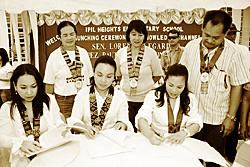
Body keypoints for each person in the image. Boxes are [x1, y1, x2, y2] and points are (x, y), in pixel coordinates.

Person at [179, 10, 250, 167]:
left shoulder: (235, 53)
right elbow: (181, 77)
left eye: (216, 37)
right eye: (207, 35)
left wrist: (231, 118)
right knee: (190, 159)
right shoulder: (191, 47)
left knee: (214, 160)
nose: (210, 40)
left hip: (217, 118)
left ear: (225, 33)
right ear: (202, 29)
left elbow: (237, 86)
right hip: (192, 116)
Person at [0, 64, 64, 167]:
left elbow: (57, 122)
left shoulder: (49, 100)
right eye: (23, 87)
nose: (29, 92)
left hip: (50, 158)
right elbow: (2, 138)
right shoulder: (7, 108)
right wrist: (20, 143)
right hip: (23, 162)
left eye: (33, 86)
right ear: (15, 86)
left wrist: (62, 128)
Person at [135, 64, 202, 145]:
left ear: (185, 85)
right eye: (170, 85)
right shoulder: (154, 95)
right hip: (157, 140)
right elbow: (142, 119)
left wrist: (184, 133)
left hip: (180, 142)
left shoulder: (190, 98)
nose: (174, 91)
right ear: (165, 80)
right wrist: (150, 135)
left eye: (179, 87)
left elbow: (196, 122)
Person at [115, 19, 164, 132]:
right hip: (126, 100)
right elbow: (118, 76)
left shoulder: (151, 53)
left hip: (146, 100)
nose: (137, 38)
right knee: (128, 131)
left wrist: (144, 85)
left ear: (144, 36)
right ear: (128, 35)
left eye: (140, 35)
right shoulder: (120, 53)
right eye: (134, 34)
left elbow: (157, 76)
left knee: (144, 132)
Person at [68, 56, 133, 138]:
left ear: (114, 77)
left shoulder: (120, 96)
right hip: (87, 139)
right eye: (99, 75)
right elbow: (74, 120)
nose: (103, 80)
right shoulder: (82, 93)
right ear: (94, 73)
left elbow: (124, 120)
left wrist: (122, 124)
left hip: (111, 140)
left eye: (109, 76)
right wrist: (84, 128)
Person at [44, 21, 93, 119]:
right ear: (60, 37)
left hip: (83, 97)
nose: (69, 38)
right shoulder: (54, 56)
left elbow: (90, 77)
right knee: (66, 129)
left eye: (71, 34)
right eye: (65, 35)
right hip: (64, 101)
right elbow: (49, 85)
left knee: (84, 126)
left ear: (76, 35)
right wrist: (51, 106)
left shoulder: (83, 52)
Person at [224, 23, 250, 163]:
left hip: (237, 102)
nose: (232, 37)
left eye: (234, 33)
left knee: (231, 140)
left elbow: (246, 90)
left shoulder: (242, 51)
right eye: (229, 33)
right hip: (218, 102)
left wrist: (244, 123)